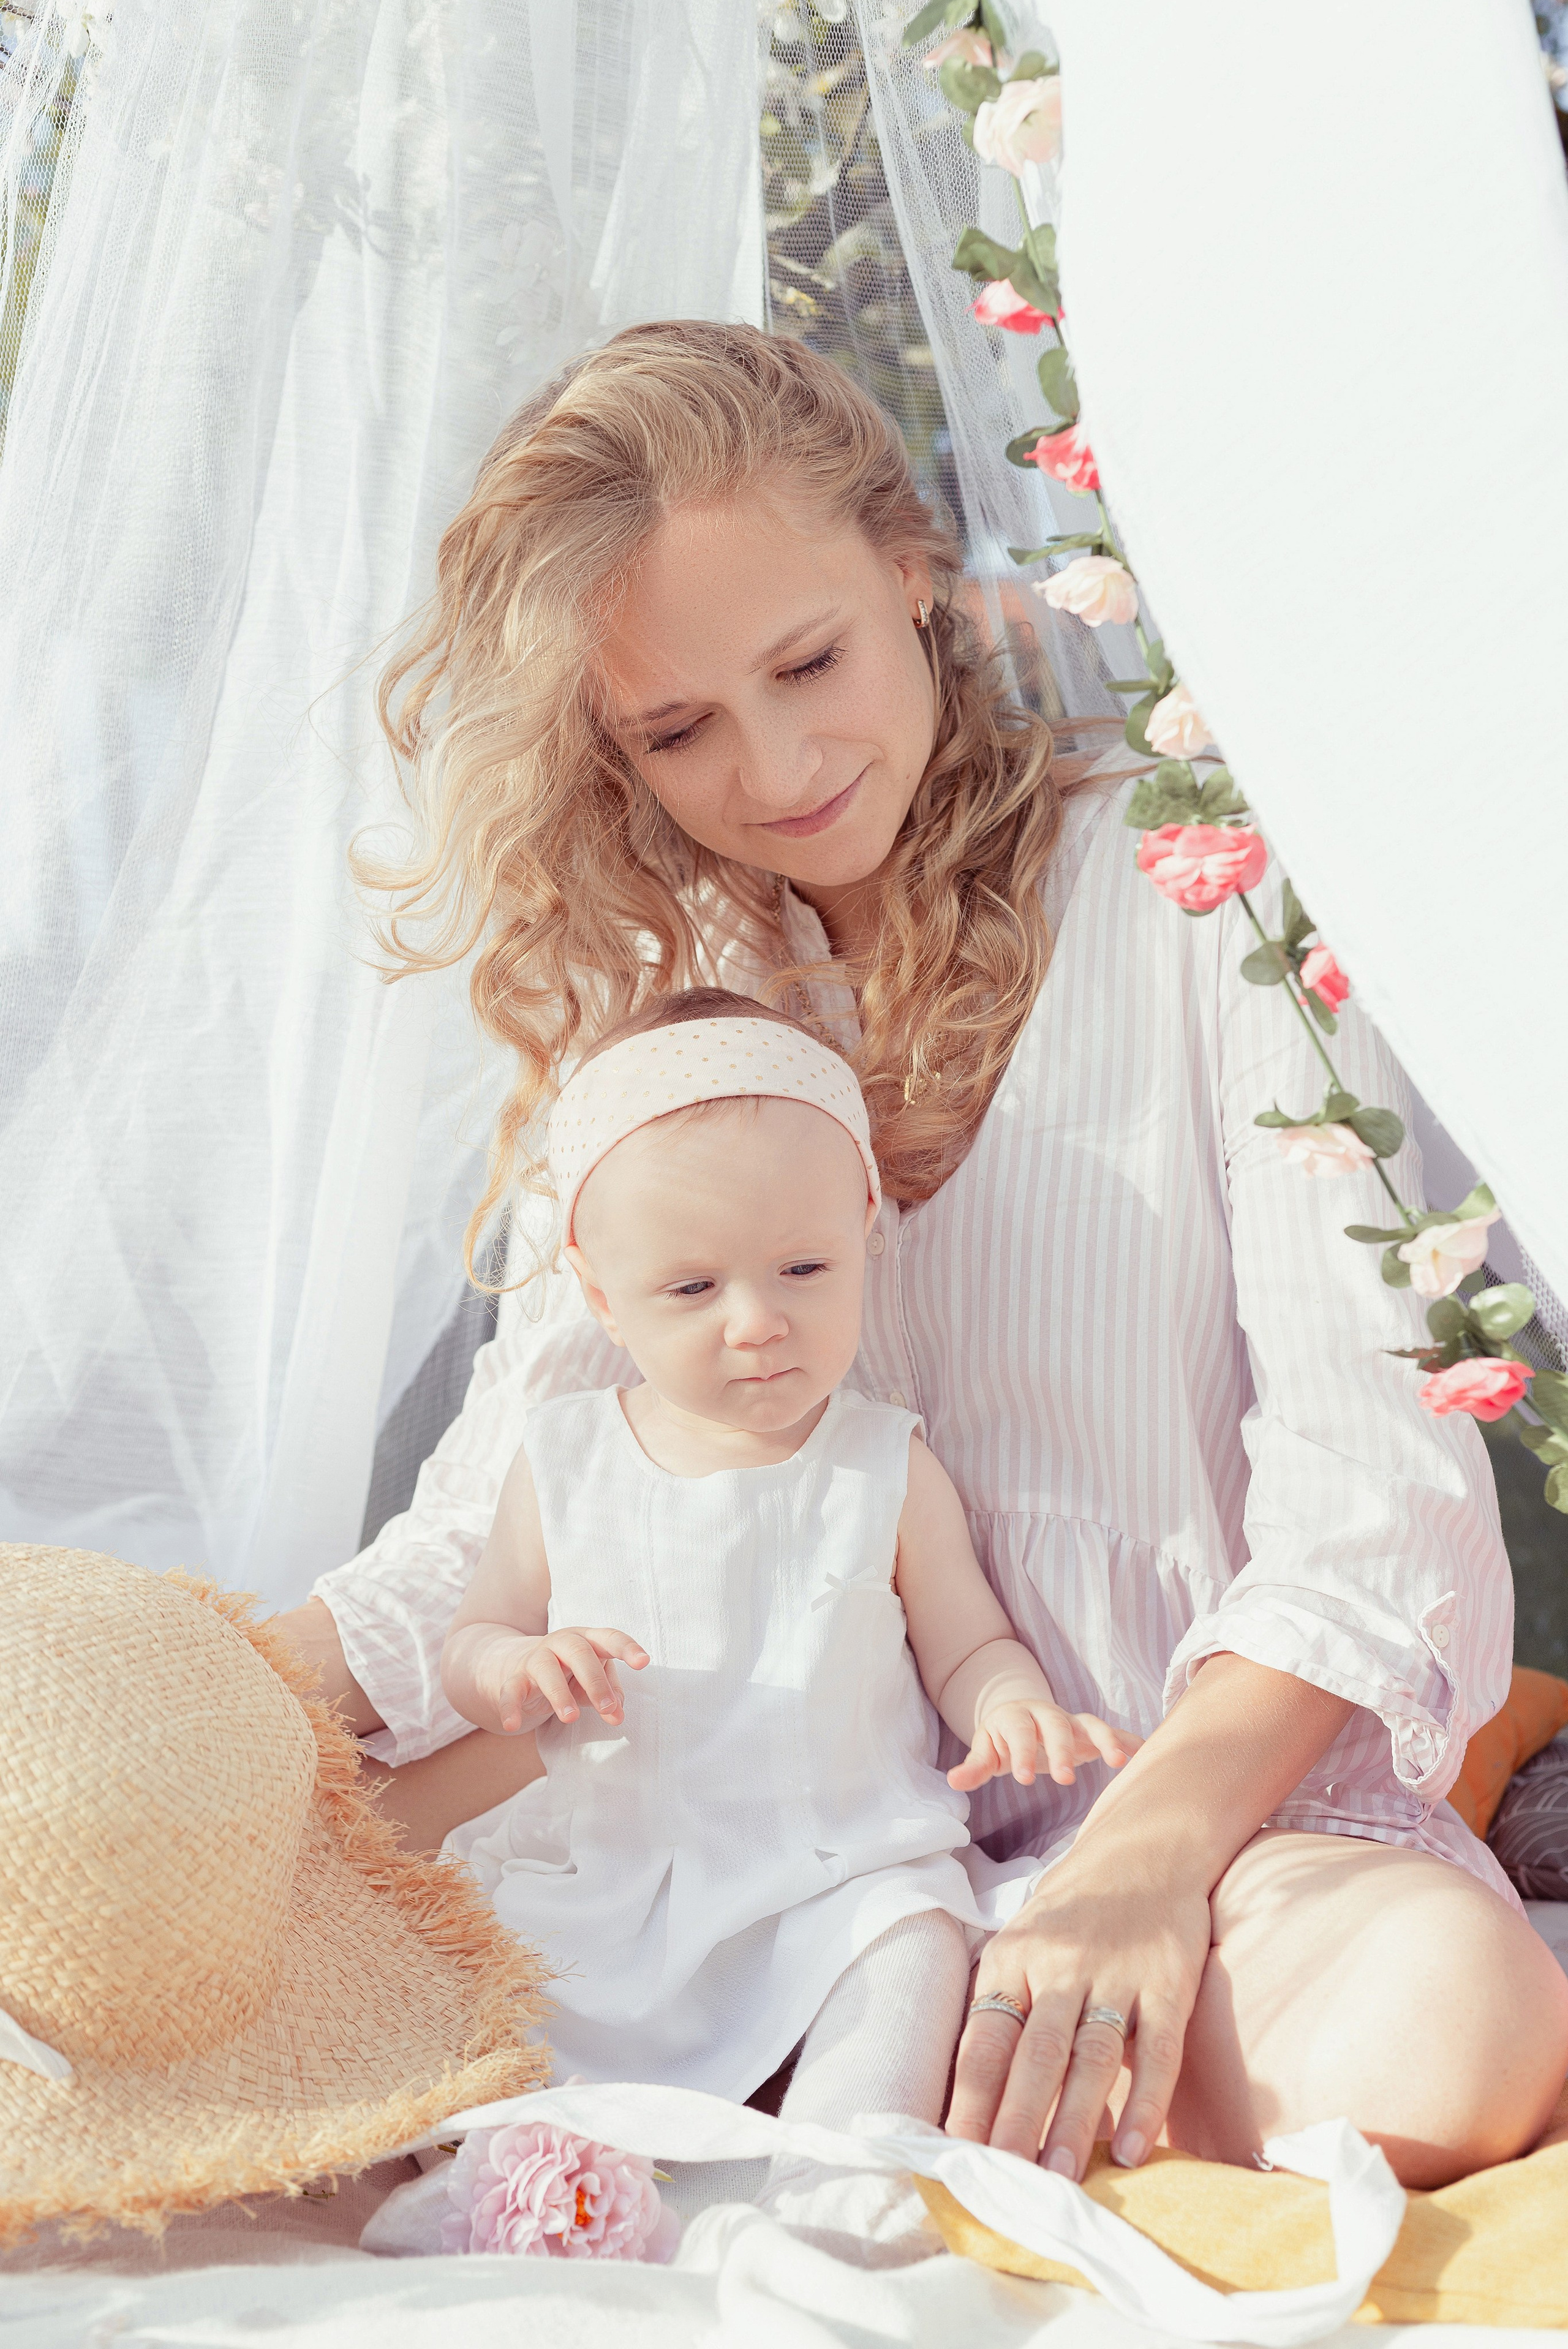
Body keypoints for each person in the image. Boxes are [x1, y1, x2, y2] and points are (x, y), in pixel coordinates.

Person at [274, 320, 1568, 2193]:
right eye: (677, 728)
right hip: (763, 1849)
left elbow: (1370, 1491)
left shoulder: (1203, 888)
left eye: (809, 662)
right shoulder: (663, 1007)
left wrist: (1142, 1863)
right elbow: (511, 1494)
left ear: (916, 577)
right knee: (303, 1941)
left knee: (1451, 2031)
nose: (780, 765)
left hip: (1209, 1825)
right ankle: (873, 2052)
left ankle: (868, 2075)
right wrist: (241, 1691)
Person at [439, 989, 1133, 2149]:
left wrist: (1011, 1708)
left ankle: (845, 2177)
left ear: (865, 1228)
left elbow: (966, 1640)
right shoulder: (566, 1458)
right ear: (603, 1296)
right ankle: (537, 2176)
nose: (756, 1322)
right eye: (693, 1289)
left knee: (912, 1938)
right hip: (631, 1875)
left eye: (803, 1268)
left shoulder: (880, 1462)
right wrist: (519, 1665)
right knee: (501, 1994)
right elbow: (473, 1640)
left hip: (838, 1868)